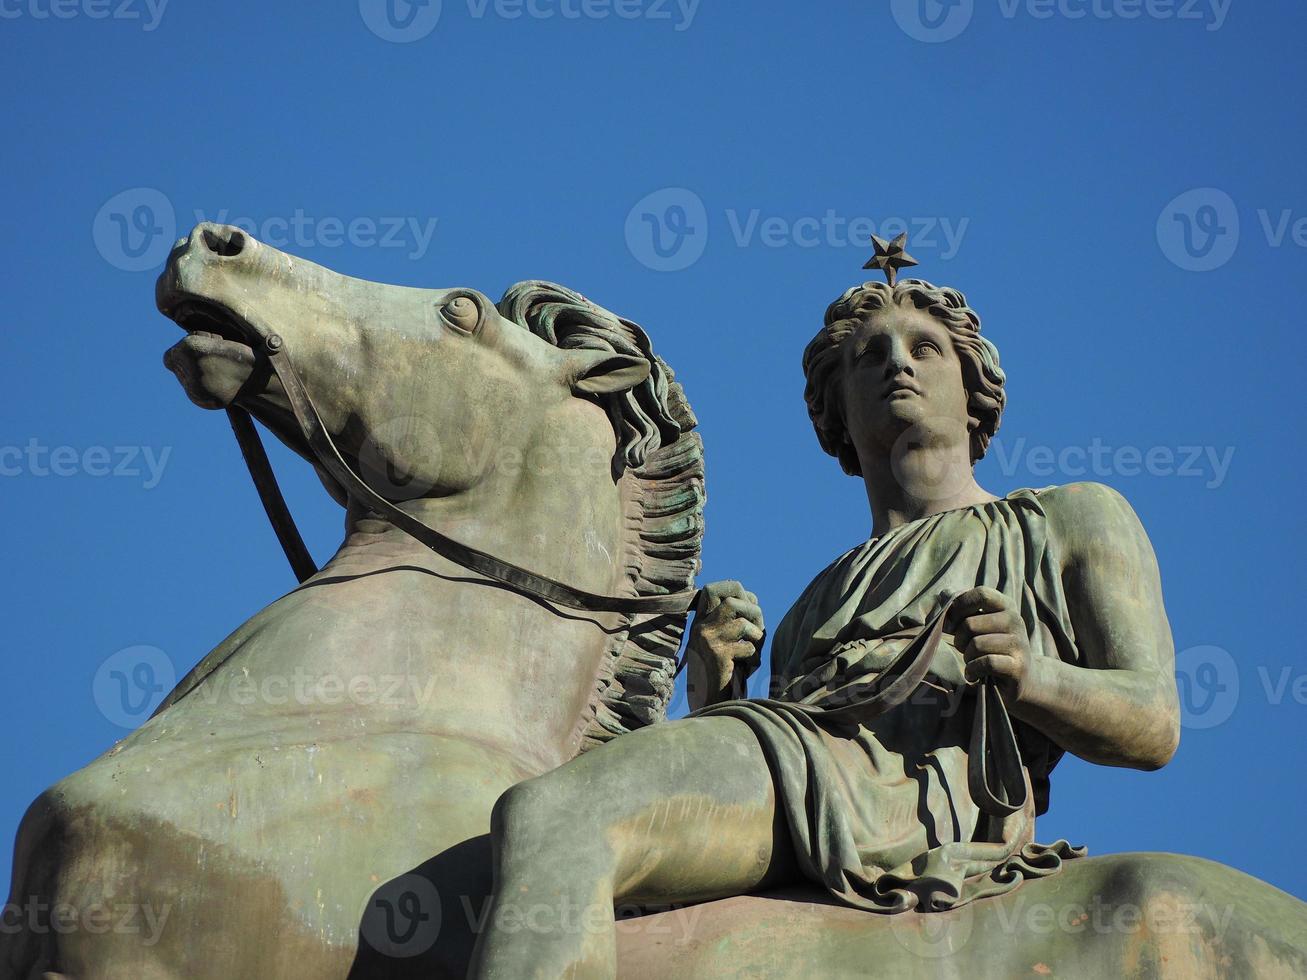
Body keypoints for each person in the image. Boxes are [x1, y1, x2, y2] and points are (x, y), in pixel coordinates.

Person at [469, 276, 1180, 979]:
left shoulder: (1069, 516)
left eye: (925, 348)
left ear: (974, 394)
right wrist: (713, 691)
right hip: (810, 768)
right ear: (834, 409)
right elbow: (764, 805)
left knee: (556, 815)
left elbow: (1152, 723)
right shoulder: (814, 602)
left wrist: (1033, 674)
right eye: (869, 356)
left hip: (918, 795)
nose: (898, 363)